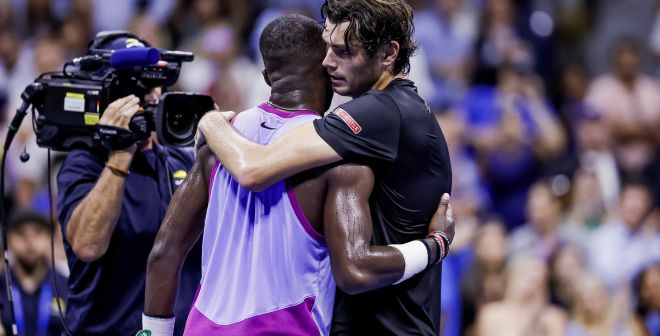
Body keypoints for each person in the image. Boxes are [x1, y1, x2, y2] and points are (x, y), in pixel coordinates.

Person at [141, 14, 454, 336]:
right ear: (326, 68)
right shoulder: (341, 161)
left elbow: (164, 252)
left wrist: (154, 333)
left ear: (266, 76)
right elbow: (356, 269)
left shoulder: (219, 142)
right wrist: (436, 244)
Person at [56, 33, 201, 335]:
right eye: (138, 84)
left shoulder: (182, 160)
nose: (153, 94)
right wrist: (120, 153)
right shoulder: (84, 162)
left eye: (156, 83)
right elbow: (87, 245)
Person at [0, 210, 69, 336]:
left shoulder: (67, 286)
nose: (29, 241)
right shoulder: (1, 284)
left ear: (50, 239)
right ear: (8, 241)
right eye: (21, 233)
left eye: (38, 232)